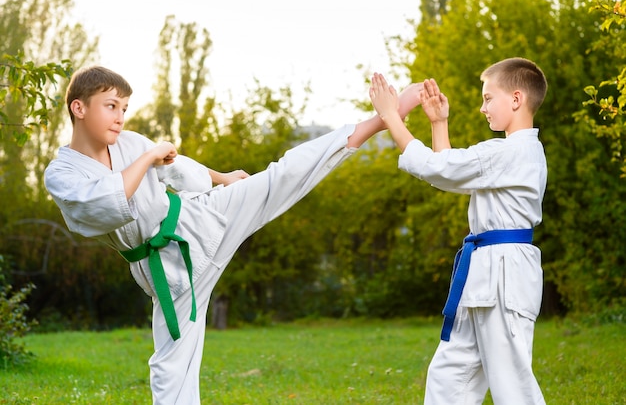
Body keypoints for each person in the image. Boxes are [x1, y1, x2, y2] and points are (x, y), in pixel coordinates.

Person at [44, 66, 423, 404]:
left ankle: (379, 121)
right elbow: (106, 202)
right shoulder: (62, 174)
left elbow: (179, 170)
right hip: (166, 268)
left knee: (280, 176)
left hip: (199, 219)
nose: (120, 118)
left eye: (125, 108)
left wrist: (223, 178)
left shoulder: (130, 143)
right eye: (111, 106)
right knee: (172, 365)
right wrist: (148, 157)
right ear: (79, 108)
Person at [368, 57, 548, 405]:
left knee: (513, 385)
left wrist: (391, 115)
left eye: (487, 98)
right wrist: (438, 123)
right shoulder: (508, 154)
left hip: (505, 274)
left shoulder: (516, 151)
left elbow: (437, 167)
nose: (483, 108)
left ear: (515, 99)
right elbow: (448, 172)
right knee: (450, 378)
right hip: (483, 274)